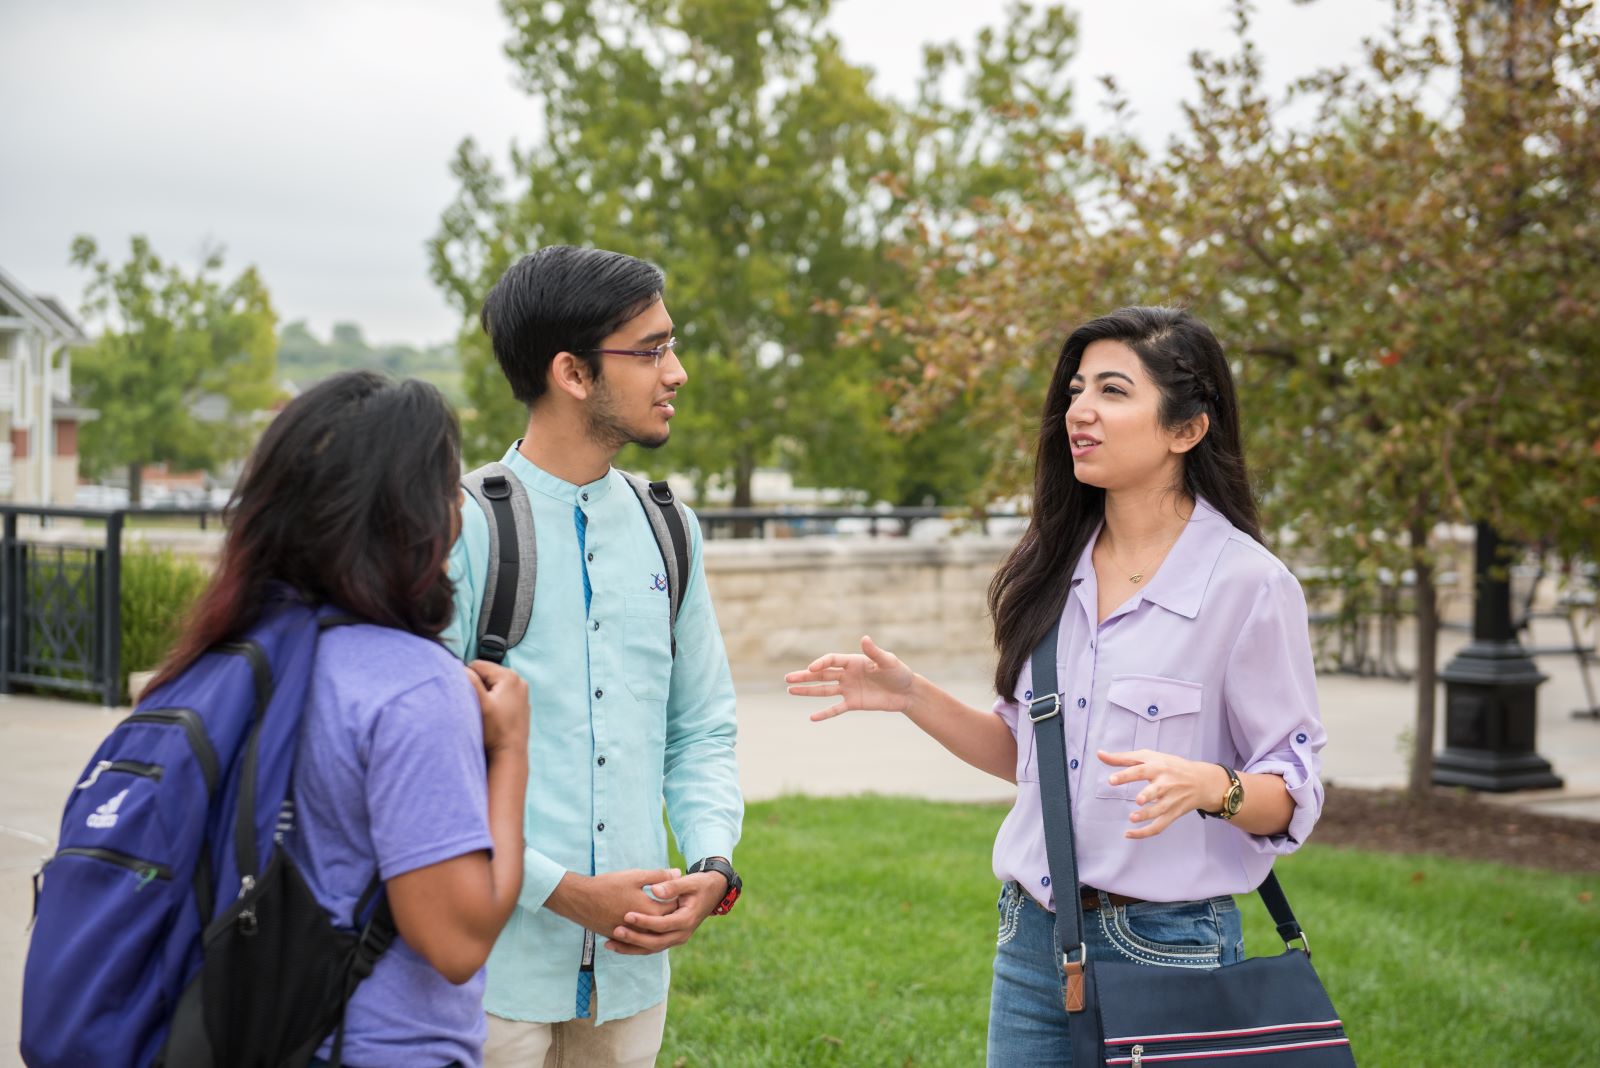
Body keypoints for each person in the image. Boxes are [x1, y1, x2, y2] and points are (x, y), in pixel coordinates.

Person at [787, 306, 1327, 1065]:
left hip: (1167, 943)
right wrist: (912, 695)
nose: (1080, 410)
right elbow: (1028, 754)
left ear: (1186, 429)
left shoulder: (1249, 586)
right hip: (1033, 935)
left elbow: (1294, 794)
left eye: (1112, 391)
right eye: (1077, 390)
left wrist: (1211, 785)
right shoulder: (1053, 562)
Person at [146, 370, 530, 1067]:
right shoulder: (412, 688)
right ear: (413, 514)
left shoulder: (216, 660)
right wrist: (509, 753)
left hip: (226, 1035)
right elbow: (457, 940)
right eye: (449, 489)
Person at [444, 245, 743, 1066]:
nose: (676, 371)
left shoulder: (668, 528)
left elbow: (702, 730)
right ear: (572, 374)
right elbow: (424, 763)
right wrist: (565, 892)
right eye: (650, 350)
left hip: (632, 974)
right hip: (488, 969)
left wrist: (714, 864)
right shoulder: (462, 528)